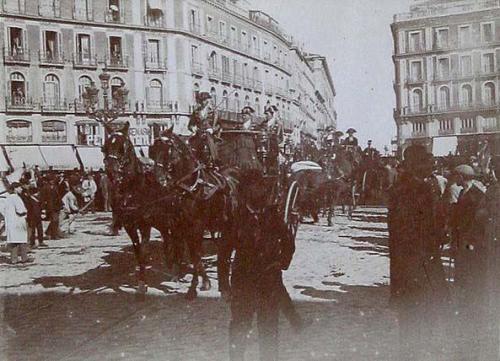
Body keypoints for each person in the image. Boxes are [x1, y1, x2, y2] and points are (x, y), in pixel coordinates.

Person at [388, 144, 449, 360]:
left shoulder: (398, 189)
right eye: (425, 162)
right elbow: (420, 230)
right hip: (420, 267)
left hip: (405, 268)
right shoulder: (419, 190)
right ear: (416, 164)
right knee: (424, 324)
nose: (429, 166)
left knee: (410, 326)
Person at [450, 164, 488, 359]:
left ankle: (468, 300)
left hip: (469, 243)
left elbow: (478, 222)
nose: (453, 178)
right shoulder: (466, 192)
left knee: (467, 272)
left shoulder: (475, 195)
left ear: (462, 177)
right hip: (461, 240)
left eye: (456, 175)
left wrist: (471, 241)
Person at [1, 183, 32, 264]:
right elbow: (20, 210)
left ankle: (14, 259)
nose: (21, 189)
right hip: (18, 222)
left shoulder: (8, 198)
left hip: (11, 222)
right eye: (20, 188)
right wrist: (26, 211)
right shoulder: (16, 198)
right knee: (21, 241)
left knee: (13, 242)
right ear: (15, 188)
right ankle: (24, 258)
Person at [188, 92, 219, 168]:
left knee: (209, 142)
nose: (203, 102)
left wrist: (212, 129)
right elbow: (190, 125)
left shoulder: (214, 112)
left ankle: (214, 162)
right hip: (198, 134)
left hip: (210, 134)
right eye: (201, 100)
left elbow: (219, 125)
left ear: (208, 100)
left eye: (204, 100)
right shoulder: (196, 112)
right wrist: (193, 128)